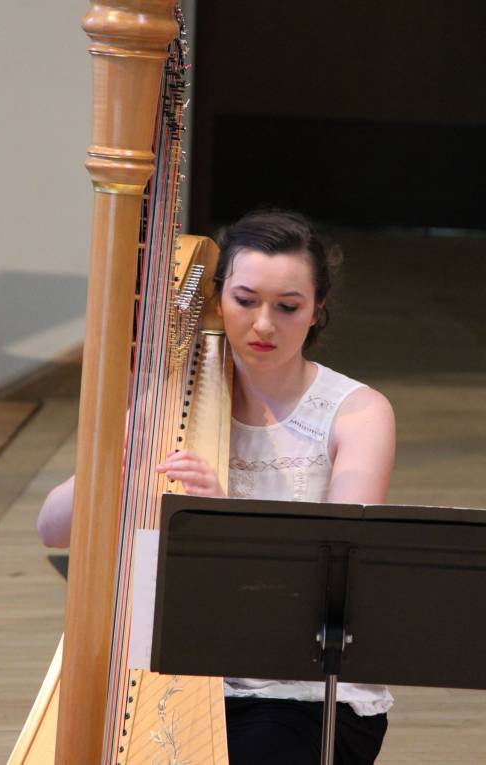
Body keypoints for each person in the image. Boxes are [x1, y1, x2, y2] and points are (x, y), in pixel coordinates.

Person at [37, 209, 395, 764]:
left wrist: (226, 519)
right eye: (245, 300)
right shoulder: (167, 401)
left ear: (317, 309)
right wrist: (117, 463)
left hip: (302, 690)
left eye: (287, 307)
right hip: (180, 677)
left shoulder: (358, 414)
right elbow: (54, 530)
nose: (264, 325)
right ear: (216, 298)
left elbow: (339, 576)